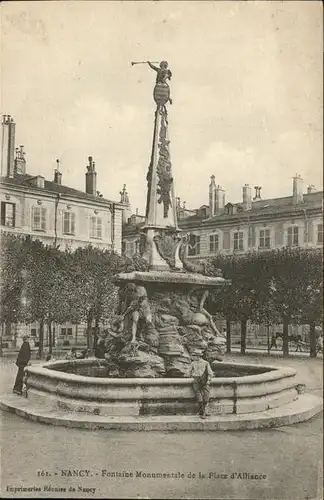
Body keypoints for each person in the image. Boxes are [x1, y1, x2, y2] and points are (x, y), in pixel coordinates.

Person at [190, 350, 214, 419]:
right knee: (199, 394)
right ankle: (203, 411)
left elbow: (210, 373)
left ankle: (202, 411)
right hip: (197, 380)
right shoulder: (193, 363)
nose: (193, 357)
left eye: (194, 356)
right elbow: (188, 372)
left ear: (198, 356)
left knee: (206, 395)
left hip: (203, 380)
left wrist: (208, 380)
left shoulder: (206, 363)